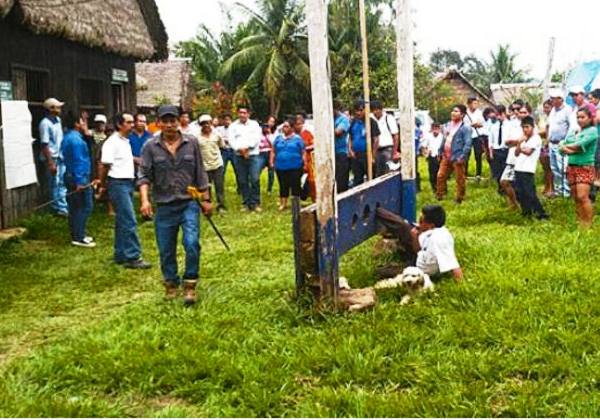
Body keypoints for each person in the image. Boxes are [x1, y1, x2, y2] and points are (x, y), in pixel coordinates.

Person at [139, 105, 211, 305]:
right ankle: (171, 284)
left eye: (173, 121)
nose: (170, 125)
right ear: (158, 123)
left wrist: (206, 200)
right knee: (166, 248)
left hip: (189, 203)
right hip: (164, 205)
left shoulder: (192, 142)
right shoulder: (150, 147)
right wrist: (145, 200)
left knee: (191, 243)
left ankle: (190, 285)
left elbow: (200, 172)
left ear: (179, 121)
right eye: (165, 121)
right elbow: (143, 175)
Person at [98, 112, 151, 269]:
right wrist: (102, 185)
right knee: (129, 219)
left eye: (132, 122)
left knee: (122, 220)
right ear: (119, 125)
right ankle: (133, 256)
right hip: (117, 183)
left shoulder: (125, 141)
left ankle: (120, 254)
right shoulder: (111, 142)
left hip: (128, 182)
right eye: (128, 122)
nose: (132, 125)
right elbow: (104, 165)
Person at [377, 204, 463, 281]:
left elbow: (453, 264)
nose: (419, 223)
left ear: (431, 225)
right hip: (418, 257)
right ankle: (378, 211)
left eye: (421, 221)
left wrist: (460, 285)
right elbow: (418, 250)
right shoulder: (429, 232)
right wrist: (415, 237)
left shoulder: (439, 239)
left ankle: (378, 211)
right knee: (404, 226)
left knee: (382, 272)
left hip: (419, 269)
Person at [61, 113, 99, 247]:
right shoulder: (76, 140)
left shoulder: (68, 137)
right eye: (83, 122)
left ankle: (77, 233)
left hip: (70, 174)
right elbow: (79, 161)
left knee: (74, 207)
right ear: (77, 124)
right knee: (85, 206)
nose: (84, 124)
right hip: (78, 177)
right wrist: (80, 181)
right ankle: (79, 237)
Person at [559, 107, 598, 228]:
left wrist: (567, 148)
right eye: (578, 117)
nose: (580, 119)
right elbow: (561, 145)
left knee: (583, 196)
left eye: (582, 117)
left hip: (584, 167)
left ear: (590, 118)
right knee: (575, 197)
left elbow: (579, 145)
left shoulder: (592, 131)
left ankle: (588, 223)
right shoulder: (574, 131)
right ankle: (580, 221)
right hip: (571, 167)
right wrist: (567, 148)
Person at [513, 116, 549, 220]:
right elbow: (516, 153)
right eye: (523, 127)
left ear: (532, 127)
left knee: (529, 193)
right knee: (520, 192)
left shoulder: (536, 138)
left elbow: (528, 152)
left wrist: (519, 145)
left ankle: (541, 213)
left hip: (527, 169)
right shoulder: (523, 139)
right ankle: (526, 212)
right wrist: (519, 144)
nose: (525, 130)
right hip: (518, 167)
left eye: (527, 127)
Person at [436, 104, 472, 204]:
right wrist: (440, 151)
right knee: (440, 175)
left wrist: (463, 156)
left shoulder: (465, 128)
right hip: (446, 155)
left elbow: (468, 143)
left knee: (459, 179)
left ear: (462, 115)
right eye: (453, 111)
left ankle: (459, 198)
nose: (453, 113)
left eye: (456, 111)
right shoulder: (448, 125)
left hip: (457, 156)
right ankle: (440, 195)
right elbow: (444, 139)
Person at [229, 106, 262, 212]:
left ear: (248, 114)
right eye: (240, 112)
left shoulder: (254, 125)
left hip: (252, 155)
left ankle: (255, 202)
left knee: (255, 179)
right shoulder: (233, 126)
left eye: (244, 113)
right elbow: (231, 140)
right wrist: (240, 150)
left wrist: (247, 148)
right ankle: (246, 203)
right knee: (242, 180)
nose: (242, 115)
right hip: (239, 156)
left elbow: (256, 139)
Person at [39, 97, 68, 216]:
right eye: (57, 107)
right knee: (54, 183)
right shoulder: (45, 123)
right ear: (51, 109)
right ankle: (57, 207)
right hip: (52, 157)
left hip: (60, 155)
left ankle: (63, 206)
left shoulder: (58, 120)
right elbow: (44, 144)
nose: (60, 109)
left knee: (61, 181)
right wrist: (50, 162)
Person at [500, 102, 531, 209]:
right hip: (512, 158)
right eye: (514, 110)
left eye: (520, 110)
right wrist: (517, 141)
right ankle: (514, 204)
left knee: (523, 184)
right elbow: (507, 142)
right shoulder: (512, 124)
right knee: (504, 182)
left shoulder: (530, 126)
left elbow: (528, 142)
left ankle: (528, 206)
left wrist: (516, 142)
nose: (516, 112)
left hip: (524, 159)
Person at [270, 119, 305, 211]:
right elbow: (273, 150)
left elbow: (303, 152)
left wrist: (304, 163)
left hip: (295, 166)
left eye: (286, 126)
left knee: (295, 185)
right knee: (283, 185)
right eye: (284, 126)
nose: (284, 128)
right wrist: (271, 161)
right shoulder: (278, 138)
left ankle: (296, 204)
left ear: (292, 128)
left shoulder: (297, 139)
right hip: (280, 166)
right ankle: (283, 203)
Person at [197, 114, 227, 212]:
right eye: (203, 123)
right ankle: (207, 206)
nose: (206, 125)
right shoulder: (196, 137)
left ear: (211, 123)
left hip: (217, 164)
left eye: (208, 123)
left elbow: (222, 146)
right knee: (206, 187)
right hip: (204, 166)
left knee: (219, 186)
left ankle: (221, 206)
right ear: (200, 125)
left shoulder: (217, 134)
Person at [349, 100, 381, 187]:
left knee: (371, 178)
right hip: (356, 155)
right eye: (356, 110)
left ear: (365, 110)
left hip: (367, 154)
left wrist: (372, 156)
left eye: (360, 110)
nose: (358, 113)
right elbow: (350, 137)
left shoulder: (371, 122)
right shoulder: (354, 122)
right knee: (357, 179)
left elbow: (376, 140)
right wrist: (350, 150)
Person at [547, 89, 572, 198]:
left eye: (553, 98)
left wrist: (565, 142)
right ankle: (558, 191)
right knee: (554, 168)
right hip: (552, 143)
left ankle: (566, 192)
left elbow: (572, 127)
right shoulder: (553, 110)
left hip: (561, 143)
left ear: (560, 99)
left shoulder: (567, 110)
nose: (551, 100)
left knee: (563, 168)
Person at [371, 101, 399, 177]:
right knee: (378, 172)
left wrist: (394, 151)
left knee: (387, 172)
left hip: (388, 149)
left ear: (381, 109)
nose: (375, 112)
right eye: (373, 110)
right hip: (376, 150)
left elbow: (395, 136)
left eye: (377, 110)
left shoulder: (388, 118)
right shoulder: (371, 119)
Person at [294, 113, 316, 202]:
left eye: (300, 124)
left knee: (312, 180)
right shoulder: (293, 135)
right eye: (296, 124)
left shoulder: (307, 133)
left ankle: (314, 198)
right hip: (296, 160)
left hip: (308, 160)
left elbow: (314, 145)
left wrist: (304, 149)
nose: (298, 126)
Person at [216, 113, 239, 193]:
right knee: (222, 171)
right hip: (224, 151)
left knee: (238, 170)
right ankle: (220, 189)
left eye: (228, 120)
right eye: (225, 120)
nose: (227, 121)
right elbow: (218, 139)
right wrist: (226, 140)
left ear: (231, 121)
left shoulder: (235, 129)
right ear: (223, 121)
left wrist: (227, 140)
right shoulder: (219, 129)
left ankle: (240, 189)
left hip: (233, 151)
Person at [487, 105, 508, 193]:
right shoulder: (494, 126)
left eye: (499, 115)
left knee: (505, 171)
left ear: (504, 113)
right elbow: (491, 140)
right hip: (496, 151)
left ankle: (507, 188)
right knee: (497, 171)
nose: (497, 117)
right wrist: (491, 152)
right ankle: (500, 189)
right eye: (496, 115)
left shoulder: (509, 125)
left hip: (505, 151)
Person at [464, 97, 486, 181]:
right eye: (474, 103)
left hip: (477, 135)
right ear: (469, 104)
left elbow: (483, 124)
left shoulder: (479, 113)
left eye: (477, 103)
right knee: (466, 155)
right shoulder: (465, 113)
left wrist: (477, 124)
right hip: (467, 136)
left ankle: (478, 174)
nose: (476, 105)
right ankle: (464, 173)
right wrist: (470, 125)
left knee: (478, 155)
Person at [420, 122, 444, 193]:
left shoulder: (442, 137)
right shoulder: (428, 136)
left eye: (437, 129)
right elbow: (423, 147)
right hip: (432, 157)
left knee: (440, 173)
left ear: (439, 129)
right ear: (432, 129)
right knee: (432, 173)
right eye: (434, 129)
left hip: (440, 157)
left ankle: (441, 188)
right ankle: (434, 188)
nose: (435, 131)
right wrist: (426, 152)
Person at [537, 100, 554, 197]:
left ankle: (551, 187)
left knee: (549, 168)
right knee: (545, 168)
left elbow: (546, 132)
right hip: (542, 144)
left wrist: (538, 133)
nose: (545, 109)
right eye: (544, 107)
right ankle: (547, 186)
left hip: (548, 144)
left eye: (547, 107)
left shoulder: (553, 118)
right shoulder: (543, 118)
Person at [334, 100, 351, 193]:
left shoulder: (343, 119)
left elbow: (338, 132)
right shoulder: (331, 119)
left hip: (342, 152)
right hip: (332, 152)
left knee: (342, 178)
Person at [258, 123, 275, 195]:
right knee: (257, 171)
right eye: (264, 128)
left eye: (267, 128)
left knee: (271, 173)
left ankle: (269, 189)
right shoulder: (258, 136)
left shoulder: (271, 136)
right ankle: (256, 188)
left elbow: (273, 146)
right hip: (261, 154)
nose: (266, 129)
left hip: (270, 154)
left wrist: (268, 136)